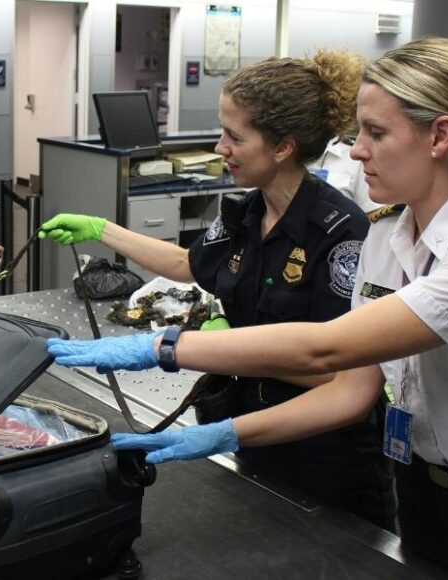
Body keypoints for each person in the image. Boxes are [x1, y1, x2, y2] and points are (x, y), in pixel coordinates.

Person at [48, 37, 448, 579]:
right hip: (426, 494)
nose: (355, 149)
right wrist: (224, 435)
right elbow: (352, 389)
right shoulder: (387, 235)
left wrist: (161, 348)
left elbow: (327, 346)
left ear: (440, 135)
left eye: (374, 132)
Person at [39, 50, 396, 531]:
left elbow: (339, 377)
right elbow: (190, 264)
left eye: (234, 136)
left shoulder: (340, 234)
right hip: (251, 434)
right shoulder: (246, 212)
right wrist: (100, 229)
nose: (219, 146)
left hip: (320, 461)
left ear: (282, 147)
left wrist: (209, 348)